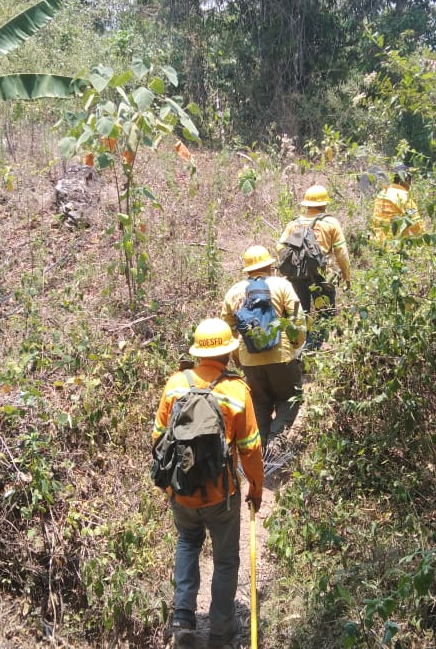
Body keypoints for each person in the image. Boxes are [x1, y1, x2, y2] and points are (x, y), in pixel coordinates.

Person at [153, 318, 264, 649]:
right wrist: (255, 487)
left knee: (187, 542)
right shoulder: (236, 390)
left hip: (182, 494)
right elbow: (251, 447)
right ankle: (220, 630)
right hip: (221, 496)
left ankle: (183, 617)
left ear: (198, 352)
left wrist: (171, 486)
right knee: (226, 560)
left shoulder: (174, 384)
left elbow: (159, 440)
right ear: (229, 352)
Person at [222, 245, 306, 454]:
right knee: (290, 397)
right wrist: (296, 345)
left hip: (249, 358)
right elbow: (298, 317)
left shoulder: (233, 292)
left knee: (260, 402)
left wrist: (237, 357)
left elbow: (227, 330)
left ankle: (259, 448)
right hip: (281, 354)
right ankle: (276, 440)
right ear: (270, 266)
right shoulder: (282, 285)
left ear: (247, 270)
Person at [276, 184, 351, 349]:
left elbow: (280, 248)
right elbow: (342, 253)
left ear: (306, 205)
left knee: (298, 314)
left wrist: (297, 262)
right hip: (322, 276)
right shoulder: (330, 222)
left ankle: (299, 348)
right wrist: (347, 276)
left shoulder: (295, 224)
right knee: (325, 314)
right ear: (324, 204)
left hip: (296, 277)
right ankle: (315, 347)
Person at [371, 165, 425, 243]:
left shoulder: (382, 193)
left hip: (375, 242)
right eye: (410, 179)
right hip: (393, 245)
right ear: (407, 179)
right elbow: (417, 225)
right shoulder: (405, 198)